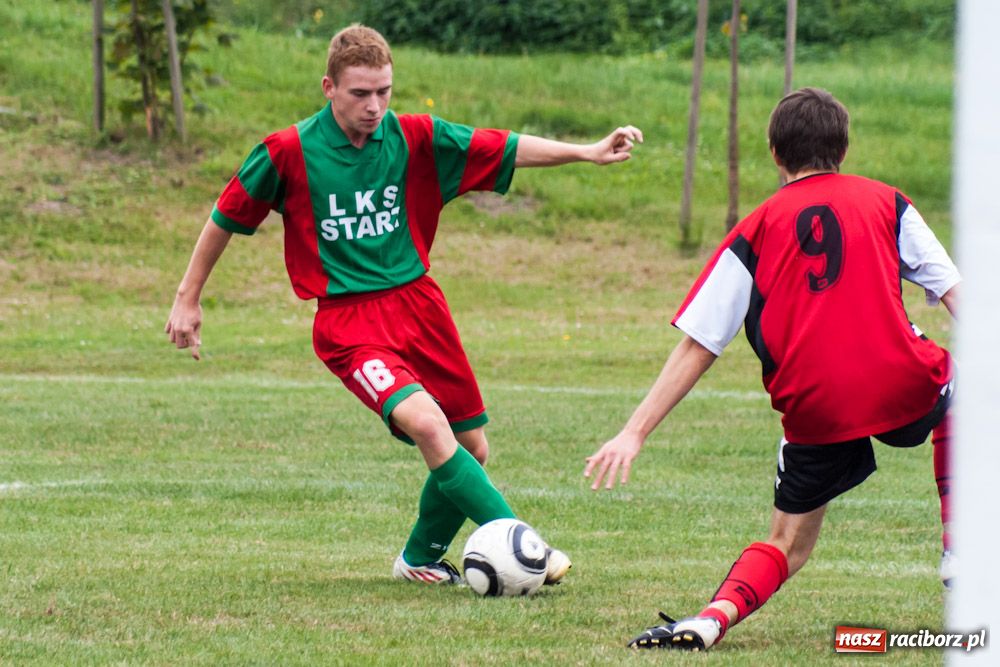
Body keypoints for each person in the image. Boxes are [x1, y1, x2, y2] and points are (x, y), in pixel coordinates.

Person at [165, 24, 643, 586]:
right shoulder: (288, 151)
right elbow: (227, 214)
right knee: (427, 424)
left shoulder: (414, 138)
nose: (374, 106)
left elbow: (503, 146)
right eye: (360, 93)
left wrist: (586, 152)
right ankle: (525, 545)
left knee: (472, 446)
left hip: (420, 307)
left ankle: (418, 557)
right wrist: (187, 298)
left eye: (384, 92)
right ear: (329, 87)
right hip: (348, 322)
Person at [584, 87, 958, 650]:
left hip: (814, 404)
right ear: (845, 148)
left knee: (788, 544)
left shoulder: (753, 229)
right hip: (897, 375)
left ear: (774, 154)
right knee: (967, 388)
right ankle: (960, 548)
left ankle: (709, 620)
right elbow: (956, 292)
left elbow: (699, 345)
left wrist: (633, 432)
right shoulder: (887, 202)